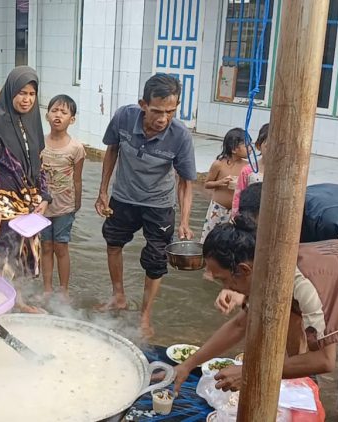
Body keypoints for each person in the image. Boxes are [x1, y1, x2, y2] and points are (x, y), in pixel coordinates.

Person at [172, 216, 338, 419]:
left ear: (243, 270)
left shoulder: (309, 284)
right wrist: (187, 365)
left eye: (223, 280)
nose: (225, 289)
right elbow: (241, 324)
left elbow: (324, 361)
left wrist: (249, 372)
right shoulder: (269, 265)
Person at [94, 73, 196, 336]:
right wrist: (103, 191)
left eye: (170, 111)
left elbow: (186, 181)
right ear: (143, 104)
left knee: (156, 258)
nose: (163, 119)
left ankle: (145, 316)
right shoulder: (123, 118)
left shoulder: (180, 136)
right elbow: (112, 150)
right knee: (113, 242)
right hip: (124, 196)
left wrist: (184, 221)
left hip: (159, 204)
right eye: (157, 111)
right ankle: (119, 296)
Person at [214, 182, 338, 315]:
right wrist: (240, 288)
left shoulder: (326, 218)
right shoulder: (277, 220)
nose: (263, 234)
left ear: (277, 213)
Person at [0, 66, 51, 313]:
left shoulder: (32, 124)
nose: (26, 99)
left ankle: (17, 301)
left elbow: (39, 164)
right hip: (1, 199)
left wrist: (45, 197)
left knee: (24, 253)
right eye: (21, 93)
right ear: (10, 93)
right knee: (3, 252)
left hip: (27, 200)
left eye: (31, 94)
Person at [40, 94, 85, 300]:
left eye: (64, 112)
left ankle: (64, 290)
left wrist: (77, 203)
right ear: (47, 115)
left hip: (65, 205)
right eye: (54, 111)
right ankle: (47, 288)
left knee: (61, 246)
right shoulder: (39, 143)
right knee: (46, 246)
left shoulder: (76, 148)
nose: (58, 115)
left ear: (72, 119)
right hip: (41, 205)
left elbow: (77, 179)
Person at [200, 128, 248, 243]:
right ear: (234, 149)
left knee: (230, 240)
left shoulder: (246, 167)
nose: (250, 149)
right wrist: (220, 182)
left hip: (235, 211)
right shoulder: (219, 164)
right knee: (210, 238)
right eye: (246, 145)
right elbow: (207, 184)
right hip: (217, 208)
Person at [230, 123, 268, 215]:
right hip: (250, 217)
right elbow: (238, 196)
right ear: (258, 146)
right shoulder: (248, 171)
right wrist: (235, 215)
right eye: (268, 146)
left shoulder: (283, 174)